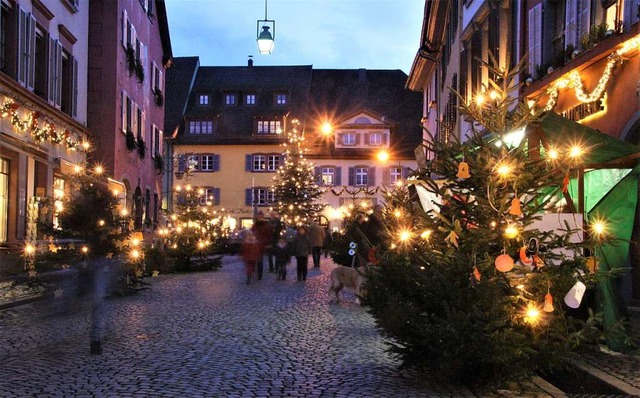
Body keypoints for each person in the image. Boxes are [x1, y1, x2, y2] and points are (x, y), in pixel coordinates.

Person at [251, 211, 273, 280]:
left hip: (262, 245)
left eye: (261, 216)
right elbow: (252, 233)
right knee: (254, 259)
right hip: (255, 244)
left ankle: (259, 275)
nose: (260, 218)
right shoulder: (255, 225)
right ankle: (253, 272)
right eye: (259, 217)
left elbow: (269, 235)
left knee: (260, 260)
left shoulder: (266, 225)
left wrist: (268, 244)